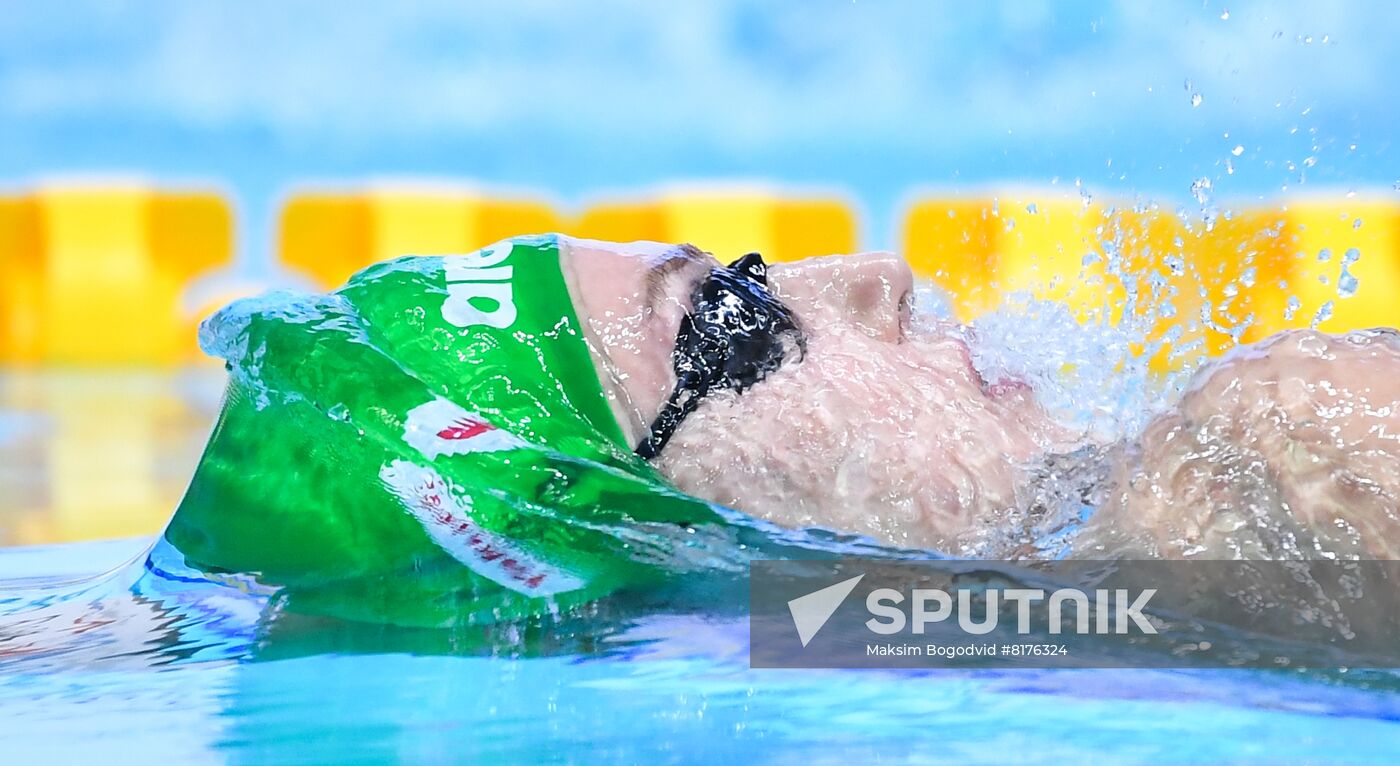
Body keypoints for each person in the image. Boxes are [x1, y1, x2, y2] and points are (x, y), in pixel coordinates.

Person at [163, 233, 1400, 628]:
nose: (875, 275)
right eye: (733, 322)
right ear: (637, 524)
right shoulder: (1270, 451)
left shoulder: (896, 649)